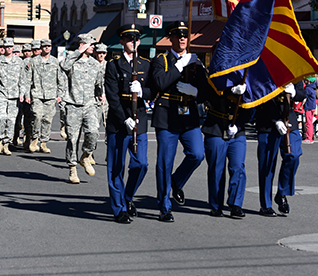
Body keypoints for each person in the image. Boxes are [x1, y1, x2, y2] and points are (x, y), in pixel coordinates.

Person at [149, 21, 208, 223]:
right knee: (165, 162)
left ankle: (176, 181)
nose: (182, 38)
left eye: (185, 35)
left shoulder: (195, 62)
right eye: (178, 35)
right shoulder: (161, 60)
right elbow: (160, 83)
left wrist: (197, 92)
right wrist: (179, 65)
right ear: (171, 39)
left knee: (197, 154)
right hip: (167, 115)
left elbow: (206, 91)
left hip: (188, 115)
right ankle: (164, 206)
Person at [104, 24, 152, 224]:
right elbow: (112, 96)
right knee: (116, 168)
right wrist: (125, 117)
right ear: (122, 42)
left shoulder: (146, 64)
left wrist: (142, 92)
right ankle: (119, 209)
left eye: (136, 39)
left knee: (141, 164)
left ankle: (128, 196)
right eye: (129, 39)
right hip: (119, 122)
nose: (133, 42)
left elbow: (153, 91)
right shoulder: (114, 65)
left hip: (139, 121)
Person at [60, 33, 104, 184]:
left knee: (93, 131)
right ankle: (72, 167)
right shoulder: (72, 62)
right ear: (83, 45)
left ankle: (85, 156)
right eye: (91, 45)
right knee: (72, 138)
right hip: (73, 104)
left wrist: (100, 95)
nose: (93, 48)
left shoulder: (95, 64)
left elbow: (98, 83)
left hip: (90, 104)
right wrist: (78, 52)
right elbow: (63, 65)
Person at [256, 81, 305, 217]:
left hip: (289, 119)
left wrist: (294, 92)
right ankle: (266, 205)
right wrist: (275, 119)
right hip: (267, 121)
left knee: (294, 155)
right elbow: (261, 94)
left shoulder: (293, 69)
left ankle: (282, 192)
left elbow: (302, 93)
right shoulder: (265, 69)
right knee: (267, 165)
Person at [202, 82, 248, 219]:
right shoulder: (217, 75)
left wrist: (239, 124)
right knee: (216, 168)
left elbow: (252, 106)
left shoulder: (247, 77)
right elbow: (210, 97)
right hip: (216, 127)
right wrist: (231, 91)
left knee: (238, 166)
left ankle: (236, 204)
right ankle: (216, 205)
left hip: (237, 129)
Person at [22, 39, 63, 154]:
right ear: (41, 48)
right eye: (44, 46)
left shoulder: (55, 61)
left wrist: (60, 94)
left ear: (51, 48)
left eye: (48, 46)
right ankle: (35, 138)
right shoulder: (34, 61)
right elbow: (28, 80)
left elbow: (60, 79)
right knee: (37, 116)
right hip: (37, 94)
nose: (46, 48)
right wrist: (27, 95)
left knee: (47, 119)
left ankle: (44, 142)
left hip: (50, 95)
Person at [0, 37, 25, 155]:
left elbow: (22, 79)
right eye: (6, 47)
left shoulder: (19, 61)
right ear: (3, 48)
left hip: (14, 95)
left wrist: (21, 93)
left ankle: (6, 143)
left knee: (11, 119)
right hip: (1, 93)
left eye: (11, 47)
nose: (9, 49)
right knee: (1, 117)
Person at [303, 77, 318, 144]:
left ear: (308, 81)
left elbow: (304, 97)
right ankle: (310, 137)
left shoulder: (308, 88)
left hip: (308, 107)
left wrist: (301, 106)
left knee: (308, 123)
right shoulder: (313, 88)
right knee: (310, 122)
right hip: (312, 106)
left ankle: (309, 138)